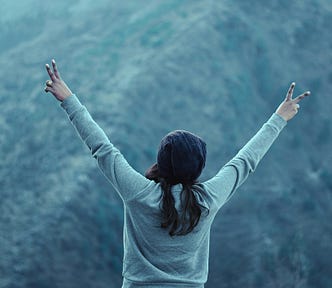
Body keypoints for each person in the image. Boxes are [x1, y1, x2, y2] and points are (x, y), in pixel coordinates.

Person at [44, 59, 310, 288]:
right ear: (198, 168)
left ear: (160, 160)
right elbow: (245, 161)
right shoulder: (208, 200)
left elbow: (102, 148)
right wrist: (279, 117)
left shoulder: (138, 193)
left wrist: (68, 99)